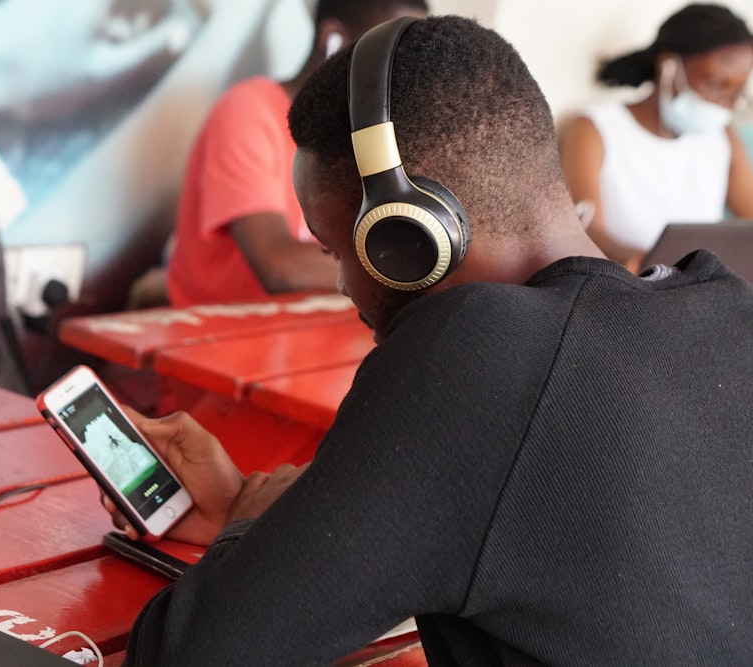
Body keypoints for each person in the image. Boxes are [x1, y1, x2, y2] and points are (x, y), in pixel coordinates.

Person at [101, 15, 753, 666]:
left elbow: (185, 654)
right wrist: (273, 521)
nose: (341, 283)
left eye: (336, 250)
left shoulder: (473, 353)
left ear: (408, 235)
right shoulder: (726, 307)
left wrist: (247, 528)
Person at [164, 0, 430, 307]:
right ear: (335, 39)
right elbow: (280, 267)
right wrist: (409, 270)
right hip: (216, 338)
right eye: (391, 54)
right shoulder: (248, 110)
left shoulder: (367, 134)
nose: (407, 71)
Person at [560, 3, 753, 273]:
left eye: (736, 92)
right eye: (716, 84)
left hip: (695, 293)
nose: (724, 104)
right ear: (668, 66)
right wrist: (647, 267)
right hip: (625, 287)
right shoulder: (595, 128)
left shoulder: (722, 138)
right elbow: (585, 230)